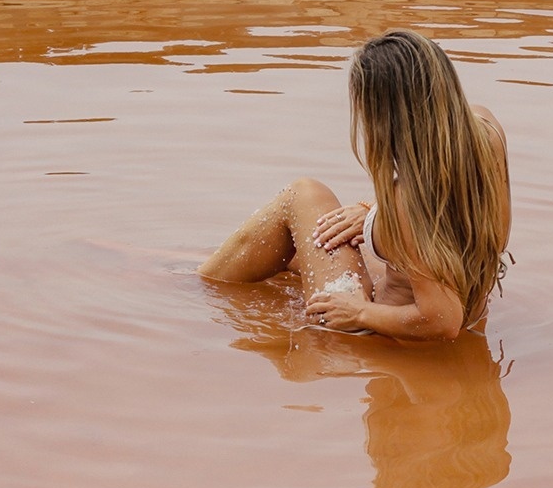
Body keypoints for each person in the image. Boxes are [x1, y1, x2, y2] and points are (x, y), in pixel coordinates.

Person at [199, 30, 511, 341]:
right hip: (471, 304)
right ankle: (205, 274)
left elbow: (442, 320)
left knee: (304, 194)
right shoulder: (487, 133)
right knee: (298, 251)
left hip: (376, 331)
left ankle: (198, 288)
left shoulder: (408, 201)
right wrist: (376, 216)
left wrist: (358, 312)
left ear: (386, 118)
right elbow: (480, 234)